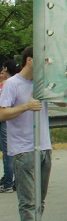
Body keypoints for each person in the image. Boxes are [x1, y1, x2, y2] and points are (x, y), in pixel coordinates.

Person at [0, 47, 59, 221]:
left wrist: (55, 88)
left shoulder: (41, 84)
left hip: (44, 147)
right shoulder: (12, 84)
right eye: (42, 60)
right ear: (29, 60)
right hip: (24, 149)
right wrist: (26, 106)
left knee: (40, 199)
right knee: (27, 199)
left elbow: (62, 102)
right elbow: (2, 112)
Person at [0, 58, 18, 193]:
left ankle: (7, 183)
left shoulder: (7, 84)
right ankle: (14, 181)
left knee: (8, 153)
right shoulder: (18, 83)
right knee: (13, 152)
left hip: (5, 120)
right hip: (13, 120)